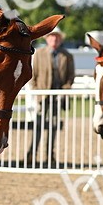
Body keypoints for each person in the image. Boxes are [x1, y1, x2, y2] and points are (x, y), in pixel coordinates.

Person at [24, 29, 75, 167]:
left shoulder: (67, 56)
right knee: (38, 126)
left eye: (57, 38)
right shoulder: (39, 54)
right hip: (42, 97)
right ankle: (31, 154)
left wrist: (64, 90)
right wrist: (36, 91)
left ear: (61, 40)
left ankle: (50, 156)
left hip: (58, 97)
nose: (54, 40)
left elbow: (70, 77)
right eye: (52, 37)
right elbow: (32, 75)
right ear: (47, 39)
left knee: (53, 127)